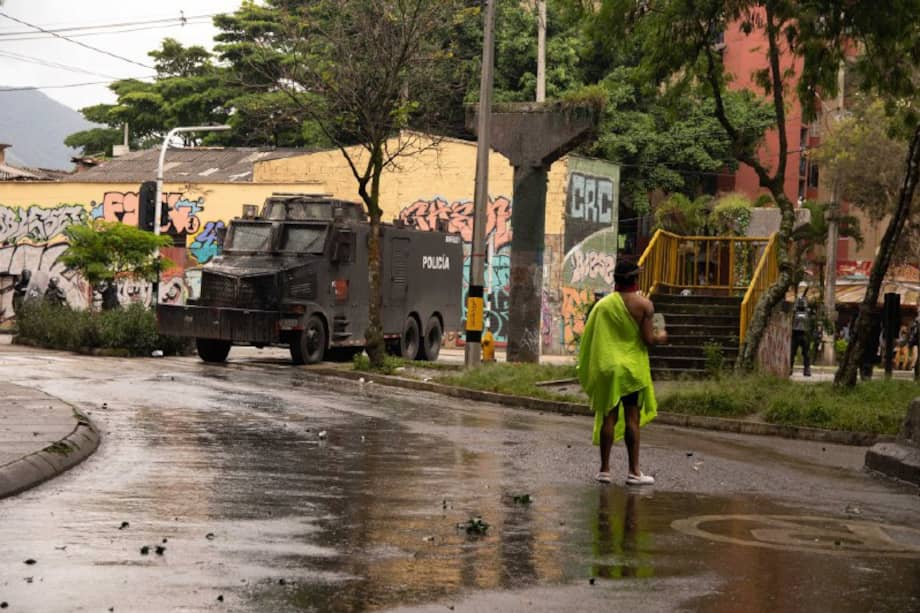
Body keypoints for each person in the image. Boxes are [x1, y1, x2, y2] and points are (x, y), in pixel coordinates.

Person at [578, 260, 667, 486]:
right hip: (631, 371)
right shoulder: (644, 306)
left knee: (608, 417)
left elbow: (590, 339)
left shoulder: (602, 306)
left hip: (608, 369)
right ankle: (634, 472)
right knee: (632, 419)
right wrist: (661, 336)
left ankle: (605, 470)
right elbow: (648, 340)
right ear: (635, 279)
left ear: (615, 279)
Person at [790, 296, 813, 376]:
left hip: (805, 334)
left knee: (806, 354)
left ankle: (807, 369)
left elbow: (810, 323)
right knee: (792, 353)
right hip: (795, 333)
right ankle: (790, 368)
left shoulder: (808, 312)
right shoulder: (794, 312)